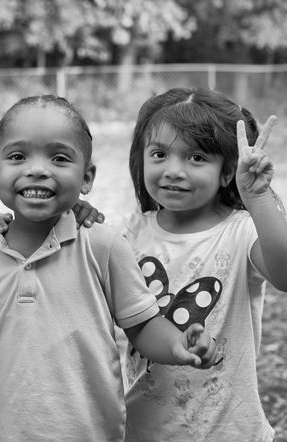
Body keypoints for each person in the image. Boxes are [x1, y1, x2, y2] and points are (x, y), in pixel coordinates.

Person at [0, 95, 218, 441]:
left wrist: (178, 345)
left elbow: (143, 326)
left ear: (87, 177)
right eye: (17, 157)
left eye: (59, 158)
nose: (37, 169)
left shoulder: (102, 246)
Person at [122, 88, 286, 441]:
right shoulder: (127, 234)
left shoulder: (241, 231)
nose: (174, 170)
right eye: (159, 154)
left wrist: (258, 198)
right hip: (142, 430)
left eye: (196, 157)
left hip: (230, 430)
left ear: (226, 172)